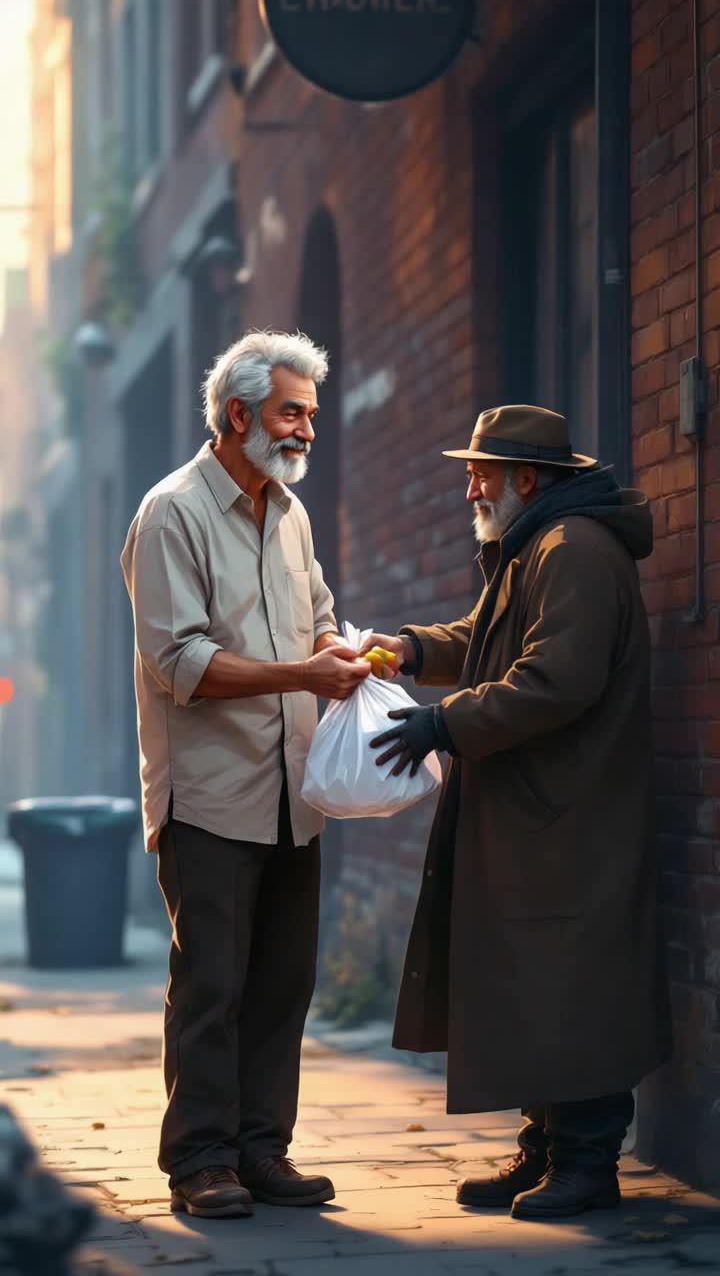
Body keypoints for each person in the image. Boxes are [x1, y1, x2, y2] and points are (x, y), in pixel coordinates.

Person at [363, 404, 672, 1221]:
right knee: (535, 984)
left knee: (574, 985)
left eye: (481, 474)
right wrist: (410, 649)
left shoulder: (574, 550)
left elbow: (554, 681)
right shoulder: (538, 544)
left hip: (573, 816)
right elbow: (486, 638)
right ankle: (545, 1149)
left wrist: (442, 723)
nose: (470, 488)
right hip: (542, 813)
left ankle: (587, 1164)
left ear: (525, 479)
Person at [121, 330, 370, 1219]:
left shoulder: (290, 513)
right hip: (209, 797)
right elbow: (178, 662)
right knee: (212, 989)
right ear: (238, 415)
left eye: (311, 415)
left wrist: (342, 652)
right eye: (292, 413)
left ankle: (263, 1152)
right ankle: (200, 1162)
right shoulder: (172, 513)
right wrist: (303, 673)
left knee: (281, 987)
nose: (307, 430)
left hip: (294, 794)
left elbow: (319, 614)